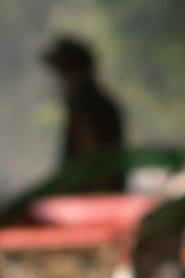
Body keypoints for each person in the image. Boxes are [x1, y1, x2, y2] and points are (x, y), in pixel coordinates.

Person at [41, 36, 128, 278]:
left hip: (89, 226)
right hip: (104, 220)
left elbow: (90, 163)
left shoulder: (83, 105)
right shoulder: (108, 104)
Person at [42, 36, 126, 190]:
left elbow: (92, 156)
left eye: (62, 72)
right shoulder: (99, 102)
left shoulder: (85, 104)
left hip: (92, 200)